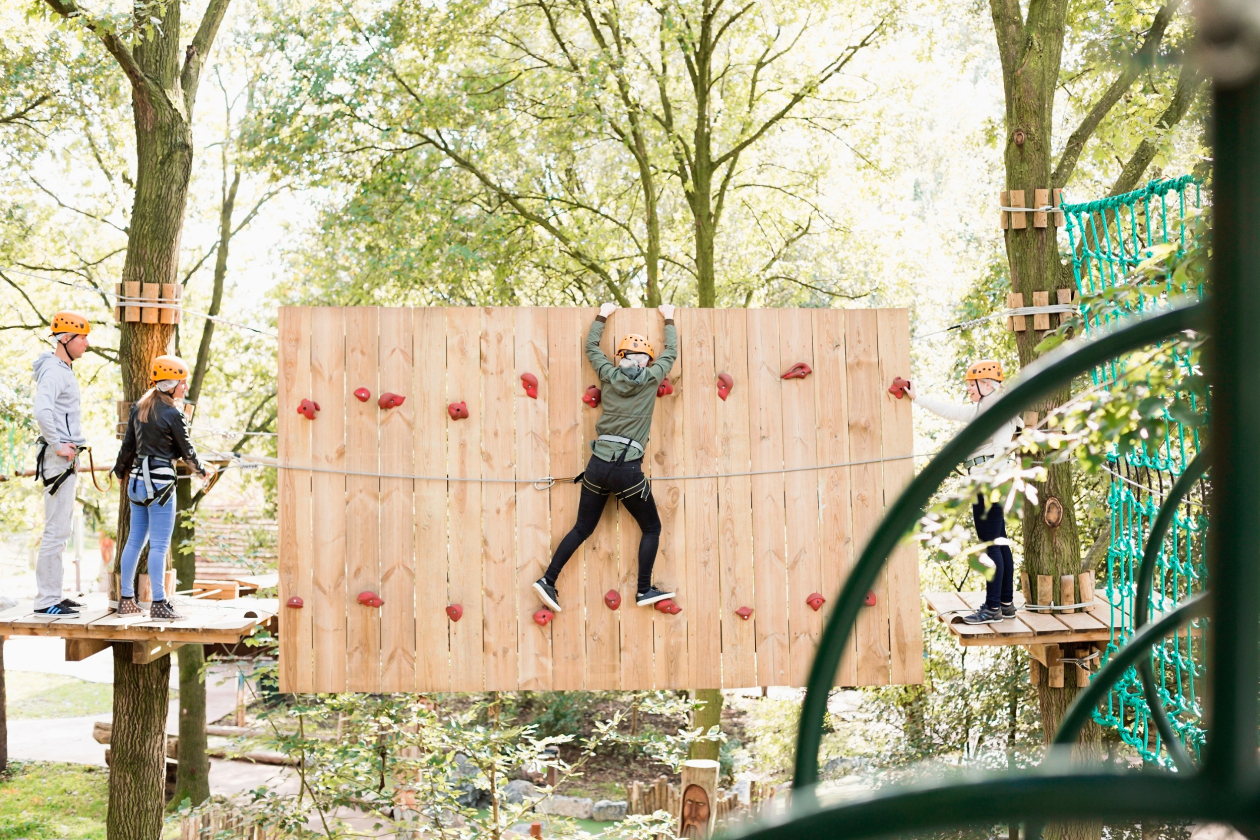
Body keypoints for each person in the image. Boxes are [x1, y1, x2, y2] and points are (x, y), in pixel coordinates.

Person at [533, 303, 678, 612]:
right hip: (627, 470)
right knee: (651, 528)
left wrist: (603, 314)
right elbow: (672, 353)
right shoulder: (652, 377)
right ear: (647, 360)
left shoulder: (609, 374)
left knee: (582, 528)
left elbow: (591, 347)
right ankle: (643, 590)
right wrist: (668, 317)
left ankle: (548, 579)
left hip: (597, 466)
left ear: (620, 357)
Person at [905, 360, 1023, 625]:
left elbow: (1000, 447)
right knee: (998, 541)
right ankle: (1005, 604)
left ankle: (993, 607)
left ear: (987, 385)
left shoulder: (996, 409)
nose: (969, 389)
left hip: (987, 482)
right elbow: (953, 412)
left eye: (972, 385)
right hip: (991, 481)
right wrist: (917, 398)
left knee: (990, 543)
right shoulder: (989, 408)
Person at [111, 355, 213, 620]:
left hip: (136, 483)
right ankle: (159, 603)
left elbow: (128, 446)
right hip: (160, 486)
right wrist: (202, 471)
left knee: (134, 541)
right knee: (158, 546)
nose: (185, 387)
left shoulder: (139, 407)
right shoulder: (173, 413)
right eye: (182, 383)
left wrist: (120, 470)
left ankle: (126, 601)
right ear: (170, 385)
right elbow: (186, 450)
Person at [31, 311, 92, 615]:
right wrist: (58, 444)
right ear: (66, 339)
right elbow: (42, 411)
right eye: (82, 338)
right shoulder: (55, 372)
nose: (87, 344)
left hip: (64, 459)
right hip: (58, 459)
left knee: (62, 530)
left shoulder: (63, 369)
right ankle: (46, 601)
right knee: (56, 530)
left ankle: (54, 595)